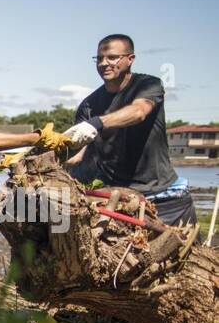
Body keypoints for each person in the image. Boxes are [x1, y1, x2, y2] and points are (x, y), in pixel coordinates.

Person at [64, 34, 197, 227]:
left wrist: (97, 123)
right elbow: (76, 156)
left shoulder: (148, 85)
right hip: (117, 198)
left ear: (130, 59)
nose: (104, 63)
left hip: (161, 194)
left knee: (184, 253)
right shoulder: (89, 105)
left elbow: (139, 112)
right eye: (99, 59)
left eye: (112, 57)